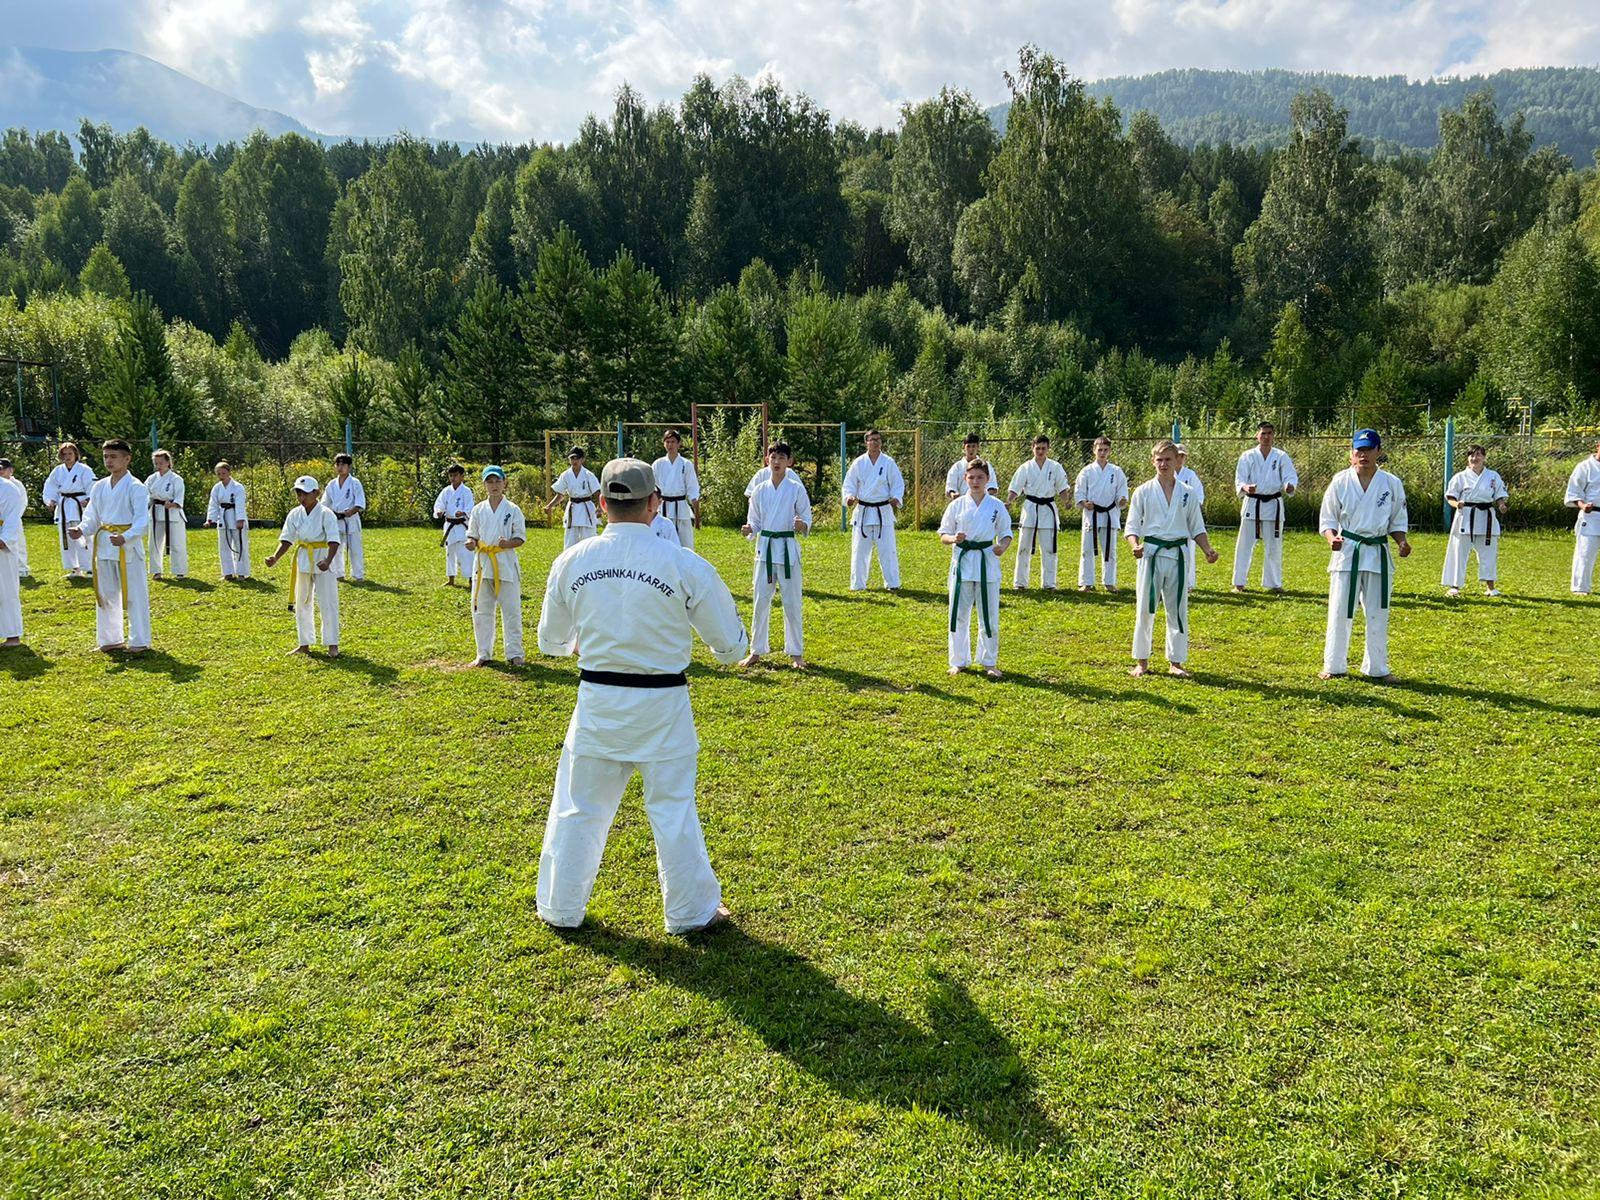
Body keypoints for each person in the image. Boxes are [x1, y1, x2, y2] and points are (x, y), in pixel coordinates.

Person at [535, 457, 749, 935]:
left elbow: (550, 641)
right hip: (662, 708)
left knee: (578, 809)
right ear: (655, 503)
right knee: (673, 810)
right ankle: (691, 913)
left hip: (598, 705)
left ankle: (560, 907)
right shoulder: (683, 564)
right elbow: (731, 648)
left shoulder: (573, 560)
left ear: (600, 502)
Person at [1319, 429, 1411, 681]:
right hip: (1348, 550)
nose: (1363, 455)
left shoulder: (1391, 483)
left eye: (1369, 450)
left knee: (1378, 612)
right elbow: (1327, 519)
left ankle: (1377, 667)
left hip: (1378, 553)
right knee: (1339, 610)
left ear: (1378, 452)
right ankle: (1334, 665)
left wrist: (1402, 542)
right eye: (1359, 450)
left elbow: (1397, 521)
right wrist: (1331, 538)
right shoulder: (1340, 481)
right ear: (1351, 454)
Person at [1125, 441, 1219, 678]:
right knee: (1145, 608)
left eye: (1168, 459)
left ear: (1177, 461)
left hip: (1178, 555)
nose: (1163, 464)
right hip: (1152, 554)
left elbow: (1196, 526)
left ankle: (1176, 661)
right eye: (1159, 460)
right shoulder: (1143, 491)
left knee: (1177, 609)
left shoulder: (1187, 492)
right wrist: (1135, 544)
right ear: (1152, 461)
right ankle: (1142, 660)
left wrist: (1207, 550)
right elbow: (1132, 525)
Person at [70, 438, 152, 653]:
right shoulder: (99, 486)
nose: (108, 461)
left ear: (127, 459)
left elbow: (143, 521)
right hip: (105, 545)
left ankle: (139, 641)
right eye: (106, 456)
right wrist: (81, 529)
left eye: (113, 456)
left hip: (127, 547)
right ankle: (110, 639)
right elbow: (92, 515)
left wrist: (127, 537)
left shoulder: (137, 487)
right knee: (105, 594)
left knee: (134, 594)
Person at [739, 441, 812, 670]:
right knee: (761, 601)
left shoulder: (796, 488)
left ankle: (796, 652)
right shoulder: (759, 491)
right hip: (766, 551)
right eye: (773, 457)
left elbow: (806, 518)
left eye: (782, 457)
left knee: (792, 602)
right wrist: (750, 529)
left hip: (788, 550)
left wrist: (802, 525)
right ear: (767, 460)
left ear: (789, 462)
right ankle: (756, 650)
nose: (777, 461)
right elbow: (755, 521)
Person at [941, 459, 1013, 677]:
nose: (975, 481)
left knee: (989, 615)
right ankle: (958, 660)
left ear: (987, 479)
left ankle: (989, 661)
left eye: (980, 477)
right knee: (959, 614)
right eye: (971, 477)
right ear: (965, 479)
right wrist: (954, 538)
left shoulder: (997, 506)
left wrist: (1001, 546)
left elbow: (1007, 533)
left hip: (987, 562)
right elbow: (943, 535)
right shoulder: (956, 505)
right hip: (962, 563)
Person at [264, 476, 341, 658]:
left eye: (305, 493)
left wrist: (328, 561)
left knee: (328, 602)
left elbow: (334, 540)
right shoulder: (294, 514)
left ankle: (332, 643)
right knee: (302, 602)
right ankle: (304, 643)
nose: (301, 497)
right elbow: (287, 539)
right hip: (304, 558)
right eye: (299, 493)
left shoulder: (325, 513)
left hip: (322, 556)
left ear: (316, 493)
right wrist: (275, 557)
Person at [466, 465, 527, 667]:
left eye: (497, 481)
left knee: (511, 610)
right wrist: (471, 543)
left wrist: (507, 544)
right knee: (481, 611)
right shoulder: (478, 510)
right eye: (490, 482)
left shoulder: (513, 509)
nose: (494, 485)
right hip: (483, 565)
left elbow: (520, 538)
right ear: (484, 484)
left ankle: (515, 653)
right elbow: (472, 535)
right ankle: (483, 653)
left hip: (505, 564)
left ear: (504, 483)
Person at [1232, 422, 1299, 593]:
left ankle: (1273, 583)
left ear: (1273, 435)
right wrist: (1245, 487)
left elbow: (1290, 476)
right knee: (1244, 545)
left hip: (1273, 506)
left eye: (1269, 433)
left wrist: (1289, 485)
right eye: (1263, 433)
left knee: (1274, 546)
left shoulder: (1281, 456)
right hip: (1252, 502)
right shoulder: (1247, 456)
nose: (1266, 437)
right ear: (1257, 435)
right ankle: (1239, 583)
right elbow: (1240, 478)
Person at [843, 429, 905, 591]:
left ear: (881, 442)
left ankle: (892, 583)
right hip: (863, 510)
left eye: (878, 439)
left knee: (888, 549)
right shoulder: (858, 463)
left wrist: (896, 497)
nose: (875, 442)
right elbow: (849, 483)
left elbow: (898, 484)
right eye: (872, 439)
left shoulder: (888, 462)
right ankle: (858, 584)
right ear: (866, 442)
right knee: (859, 551)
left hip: (883, 510)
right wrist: (849, 496)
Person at [1443, 444, 1509, 597]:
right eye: (1472, 455)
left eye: (1478, 455)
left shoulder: (1493, 476)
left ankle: (1490, 587)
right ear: (1468, 458)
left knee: (1489, 552)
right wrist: (1456, 504)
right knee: (1459, 551)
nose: (1475, 458)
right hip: (1465, 516)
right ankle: (1455, 586)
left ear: (1484, 457)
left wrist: (1501, 505)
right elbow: (1450, 496)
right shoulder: (1460, 477)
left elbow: (1499, 494)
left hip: (1486, 517)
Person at [1006, 435, 1070, 591]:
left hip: (1048, 507)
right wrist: (1009, 501)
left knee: (1049, 549)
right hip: (1030, 508)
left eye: (1043, 448)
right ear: (1032, 448)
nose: (1040, 451)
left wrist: (1066, 501)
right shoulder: (1025, 467)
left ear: (1048, 449)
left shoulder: (1055, 467)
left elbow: (1062, 487)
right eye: (1038, 448)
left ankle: (1049, 584)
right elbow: (1016, 487)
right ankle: (1020, 583)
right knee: (1023, 547)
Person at [1074, 436, 1129, 592]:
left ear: (1109, 451)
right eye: (1100, 450)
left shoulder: (1117, 471)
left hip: (1110, 514)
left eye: (1105, 450)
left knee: (1110, 550)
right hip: (1092, 514)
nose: (1102, 453)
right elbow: (1079, 492)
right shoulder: (1086, 471)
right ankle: (1086, 582)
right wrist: (1084, 503)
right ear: (1094, 450)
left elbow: (1122, 493)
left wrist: (1122, 500)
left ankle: (1109, 581)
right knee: (1087, 549)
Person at [42, 441, 95, 578]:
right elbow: (50, 486)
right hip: (64, 507)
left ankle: (90, 568)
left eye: (70, 453)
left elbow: (92, 487)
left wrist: (88, 499)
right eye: (64, 454)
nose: (67, 457)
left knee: (84, 537)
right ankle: (75, 568)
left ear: (76, 454)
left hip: (79, 505)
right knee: (67, 538)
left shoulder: (84, 469)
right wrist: (50, 500)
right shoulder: (58, 471)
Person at [652, 430, 701, 549]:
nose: (670, 445)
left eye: (673, 442)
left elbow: (692, 486)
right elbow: (652, 486)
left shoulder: (686, 464)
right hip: (663, 505)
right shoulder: (658, 464)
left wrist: (695, 504)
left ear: (679, 444)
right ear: (663, 444)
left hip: (680, 505)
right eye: (667, 442)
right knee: (661, 539)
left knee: (685, 540)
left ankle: (685, 564)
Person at [144, 449, 187, 579]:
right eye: (156, 463)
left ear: (168, 462)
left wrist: (173, 504)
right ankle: (156, 570)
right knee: (154, 543)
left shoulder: (176, 479)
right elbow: (145, 495)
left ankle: (179, 570)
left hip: (172, 514)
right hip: (156, 513)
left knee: (177, 543)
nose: (158, 466)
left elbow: (179, 496)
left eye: (161, 463)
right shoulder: (151, 478)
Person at [323, 453, 367, 581]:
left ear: (349, 467)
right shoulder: (331, 484)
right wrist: (330, 514)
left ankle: (358, 575)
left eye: (343, 464)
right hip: (336, 519)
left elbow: (359, 502)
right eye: (338, 464)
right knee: (335, 548)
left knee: (355, 549)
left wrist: (351, 511)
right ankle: (339, 573)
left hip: (351, 518)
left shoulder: (355, 483)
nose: (340, 467)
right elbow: (324, 503)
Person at [1565, 438, 1600, 595]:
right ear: (1598, 446)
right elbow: (1574, 491)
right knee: (1585, 552)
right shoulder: (1585, 467)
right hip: (1590, 515)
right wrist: (1582, 505)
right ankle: (1580, 587)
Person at [547, 447, 601, 549]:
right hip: (572, 509)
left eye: (577, 458)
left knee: (589, 540)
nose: (574, 461)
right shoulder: (566, 475)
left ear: (582, 460)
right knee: (570, 541)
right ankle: (569, 562)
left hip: (586, 509)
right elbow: (560, 494)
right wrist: (550, 506)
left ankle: (591, 561)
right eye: (572, 459)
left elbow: (598, 493)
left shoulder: (588, 475)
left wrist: (599, 508)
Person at [205, 462, 251, 580]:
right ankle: (228, 573)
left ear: (229, 472)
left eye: (224, 473)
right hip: (223, 518)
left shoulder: (238, 487)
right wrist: (210, 520)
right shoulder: (217, 488)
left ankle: (242, 573)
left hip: (236, 517)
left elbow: (240, 504)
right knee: (224, 547)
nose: (221, 476)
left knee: (240, 546)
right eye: (219, 473)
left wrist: (240, 520)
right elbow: (213, 504)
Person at [432, 463, 475, 587]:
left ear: (462, 476)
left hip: (462, 525)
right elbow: (439, 504)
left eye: (455, 475)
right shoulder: (446, 491)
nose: (453, 478)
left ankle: (471, 579)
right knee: (450, 552)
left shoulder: (466, 491)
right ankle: (451, 579)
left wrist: (464, 512)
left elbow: (470, 507)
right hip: (449, 525)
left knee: (466, 553)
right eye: (451, 475)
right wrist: (439, 511)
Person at [1175, 445, 1206, 592]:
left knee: (1189, 550)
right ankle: (1173, 581)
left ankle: (1188, 583)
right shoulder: (1165, 474)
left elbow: (1199, 496)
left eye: (1182, 456)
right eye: (1177, 455)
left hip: (1187, 517)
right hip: (1170, 518)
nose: (1179, 459)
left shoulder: (1190, 475)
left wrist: (1192, 510)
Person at [0, 462, 23, 649]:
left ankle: (12, 635)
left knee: (6, 590)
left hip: (2, 547)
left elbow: (13, 519)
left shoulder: (8, 489)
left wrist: (4, 540)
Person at [0, 458, 30, 579]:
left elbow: (22, 502)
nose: (1, 471)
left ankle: (22, 568)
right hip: (3, 518)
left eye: (3, 468)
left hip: (14, 518)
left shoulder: (16, 484)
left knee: (19, 543)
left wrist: (16, 516)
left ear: (10, 470)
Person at [945, 432, 997, 498]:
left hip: (982, 503)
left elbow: (992, 486)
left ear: (978, 447)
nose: (971, 449)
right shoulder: (957, 467)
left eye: (973, 446)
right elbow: (950, 487)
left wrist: (984, 497)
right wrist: (953, 494)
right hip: (962, 504)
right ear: (964, 447)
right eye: (968, 446)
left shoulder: (986, 466)